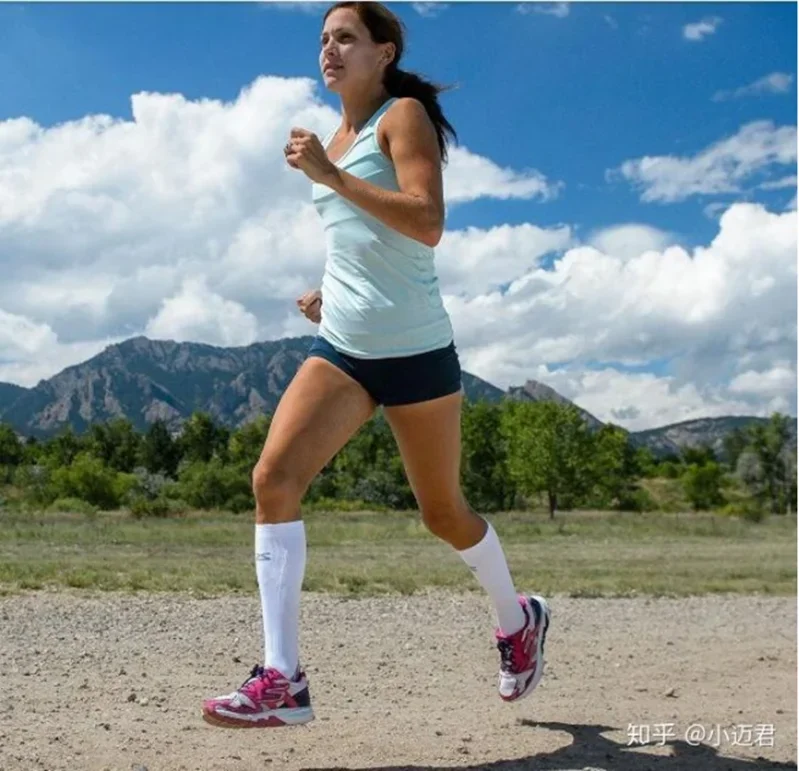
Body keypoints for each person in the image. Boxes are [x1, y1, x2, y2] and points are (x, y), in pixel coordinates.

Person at [202, 1, 550, 729]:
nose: (328, 50)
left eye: (346, 38)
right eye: (323, 38)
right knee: (272, 478)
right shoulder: (337, 137)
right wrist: (330, 293)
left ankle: (518, 618)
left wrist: (329, 176)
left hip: (419, 354)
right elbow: (366, 242)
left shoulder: (401, 119)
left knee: (443, 513)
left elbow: (425, 223)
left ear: (383, 52)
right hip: (348, 352)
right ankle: (282, 677)